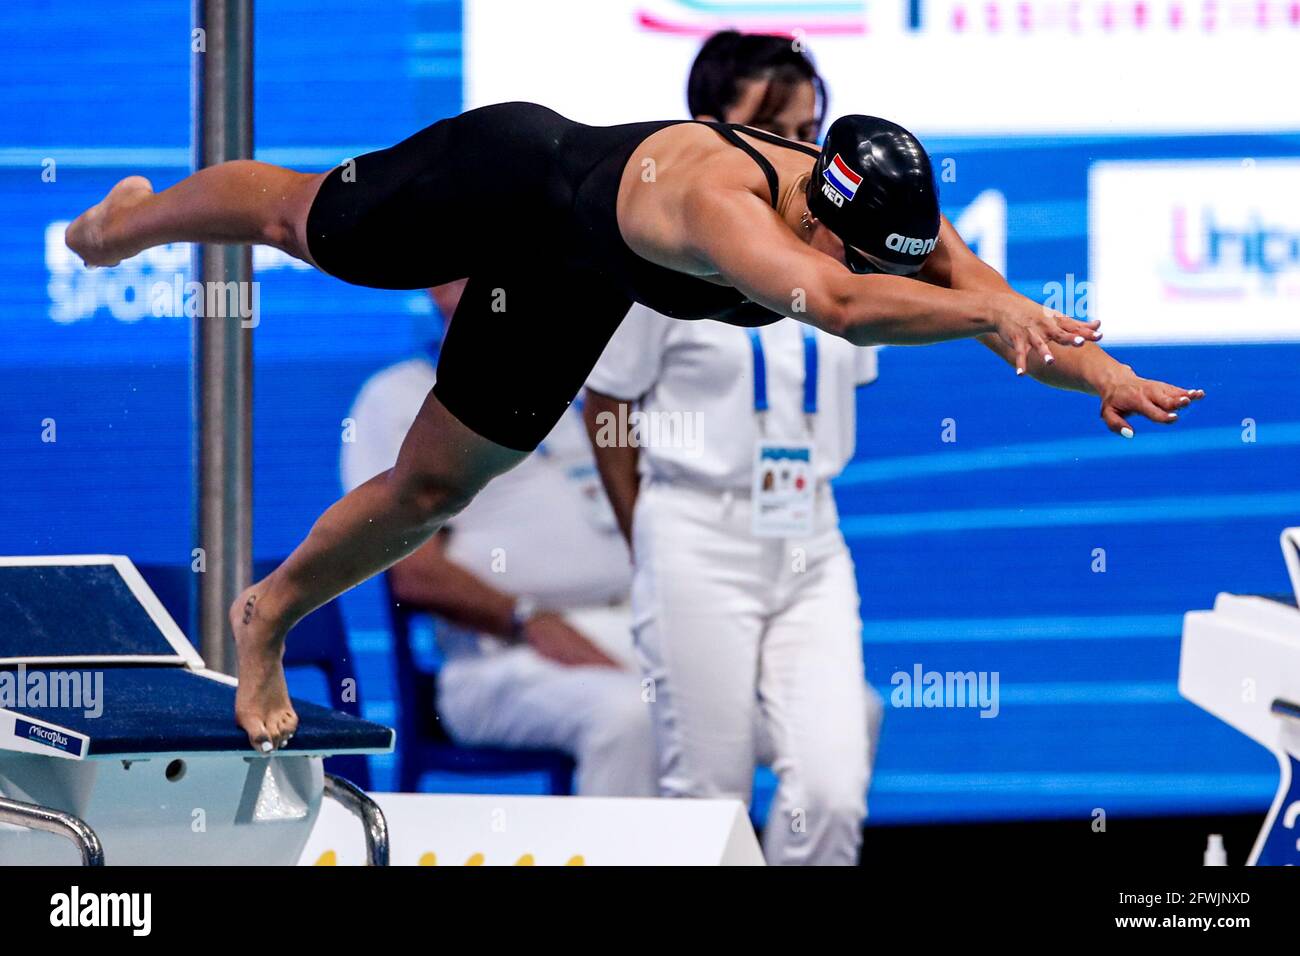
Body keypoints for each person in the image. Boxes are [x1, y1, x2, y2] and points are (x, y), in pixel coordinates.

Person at [64, 96, 1203, 751]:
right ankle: (128, 224)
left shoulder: (890, 228)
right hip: (507, 176)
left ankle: (263, 613)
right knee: (303, 223)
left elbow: (997, 318)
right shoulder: (732, 206)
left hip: (570, 278)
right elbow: (851, 310)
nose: (856, 264)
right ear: (817, 212)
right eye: (843, 248)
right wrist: (986, 307)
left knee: (435, 488)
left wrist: (1100, 372)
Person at [584, 31, 883, 865]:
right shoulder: (664, 241)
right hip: (694, 534)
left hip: (810, 538)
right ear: (712, 129)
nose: (807, 152)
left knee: (830, 786)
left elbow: (849, 376)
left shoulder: (843, 250)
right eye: (781, 128)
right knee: (706, 801)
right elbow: (607, 402)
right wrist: (648, 538)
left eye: (813, 128)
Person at [342, 281, 656, 795]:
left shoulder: (579, 387)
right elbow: (412, 572)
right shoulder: (398, 397)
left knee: (749, 710)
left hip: (634, 627)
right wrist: (527, 620)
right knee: (630, 718)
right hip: (503, 655)